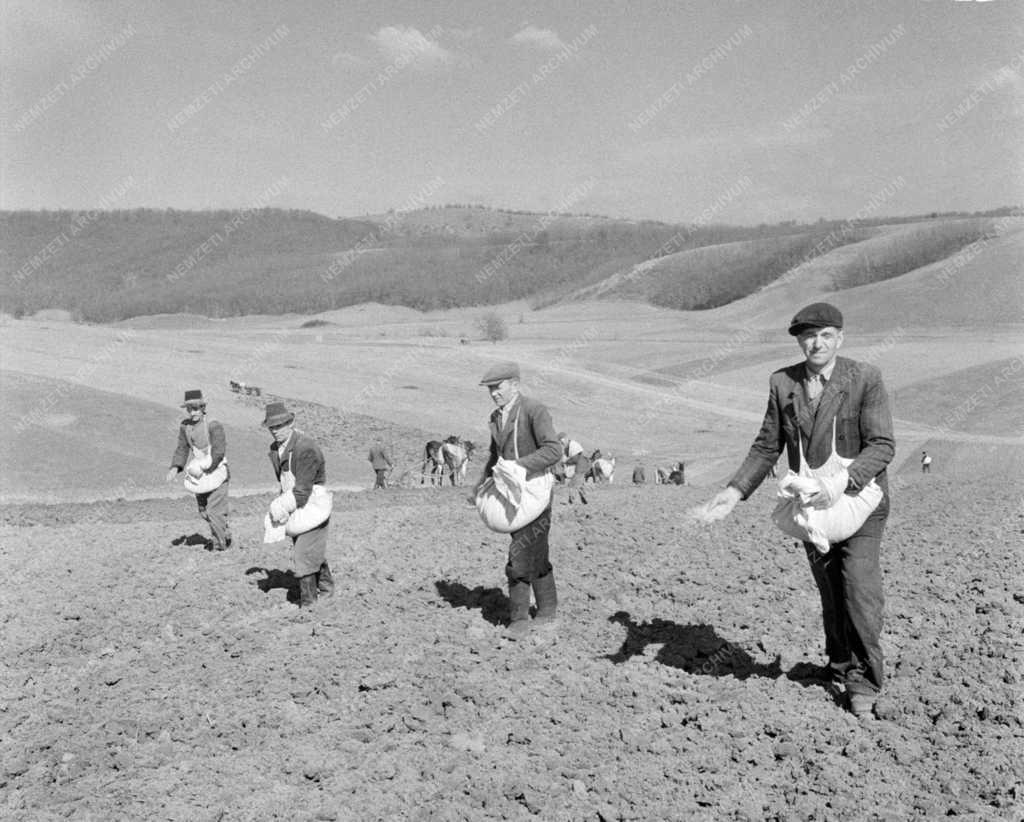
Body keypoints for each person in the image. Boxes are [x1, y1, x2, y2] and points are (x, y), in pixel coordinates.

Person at [693, 303, 894, 719]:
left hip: (860, 503)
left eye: (824, 335)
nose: (815, 343)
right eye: (807, 336)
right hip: (812, 508)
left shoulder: (864, 378)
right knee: (831, 592)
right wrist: (735, 491)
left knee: (859, 588)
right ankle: (839, 665)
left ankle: (864, 681)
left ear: (840, 337)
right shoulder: (783, 383)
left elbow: (882, 446)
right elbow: (768, 445)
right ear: (799, 340)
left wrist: (841, 482)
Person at [473, 362, 563, 639]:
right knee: (536, 553)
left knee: (520, 553)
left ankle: (519, 619)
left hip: (536, 492)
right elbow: (494, 457)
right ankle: (548, 609)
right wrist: (478, 487)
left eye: (497, 388)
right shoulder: (495, 417)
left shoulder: (534, 410)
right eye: (490, 389)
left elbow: (553, 450)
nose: (493, 394)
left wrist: (520, 466)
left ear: (514, 384)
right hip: (511, 495)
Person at [264, 402, 333, 608]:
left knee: (302, 553)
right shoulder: (277, 449)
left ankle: (309, 604)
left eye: (280, 426)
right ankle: (327, 587)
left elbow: (302, 491)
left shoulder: (306, 448)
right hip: (294, 503)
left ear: (291, 422)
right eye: (272, 427)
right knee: (308, 549)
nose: (275, 431)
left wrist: (280, 506)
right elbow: (285, 482)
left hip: (313, 504)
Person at [165, 389, 233, 551]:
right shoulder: (185, 427)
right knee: (203, 511)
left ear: (203, 407)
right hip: (199, 473)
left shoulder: (213, 425)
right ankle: (225, 533)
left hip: (217, 471)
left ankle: (220, 545)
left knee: (214, 510)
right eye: (189, 409)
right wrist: (176, 467)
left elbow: (219, 450)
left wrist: (207, 466)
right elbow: (182, 448)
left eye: (196, 408)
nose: (193, 412)